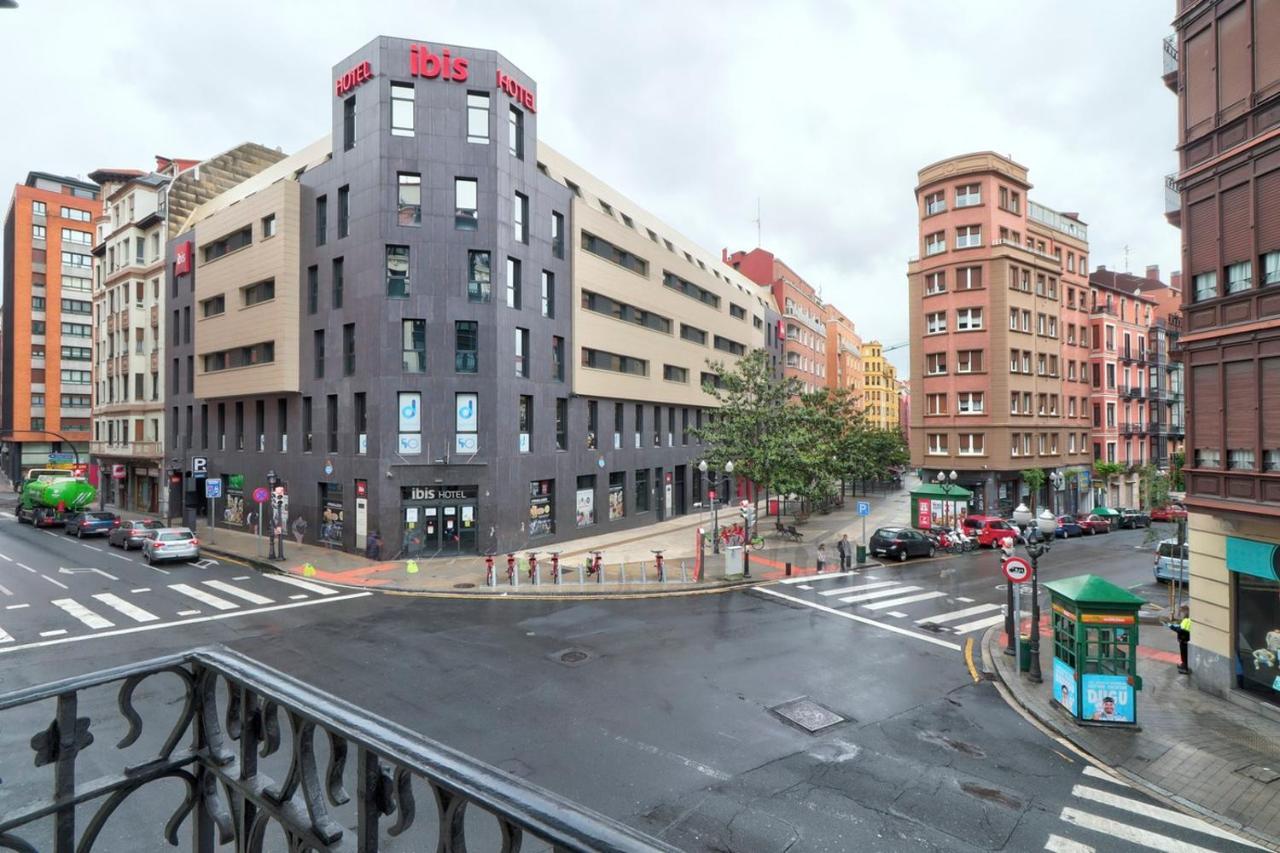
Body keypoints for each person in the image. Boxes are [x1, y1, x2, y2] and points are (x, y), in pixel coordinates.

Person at [1170, 605, 1191, 674]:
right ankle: (1183, 665)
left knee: (1184, 655)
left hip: (1184, 640)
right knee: (1184, 655)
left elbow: (1181, 630)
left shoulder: (1186, 620)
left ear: (1185, 612)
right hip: (1185, 640)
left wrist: (1172, 627)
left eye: (1181, 612)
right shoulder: (1188, 619)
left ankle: (1185, 668)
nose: (1180, 614)